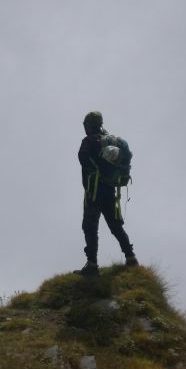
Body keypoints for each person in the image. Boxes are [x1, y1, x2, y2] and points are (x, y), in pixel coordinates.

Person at [76, 111, 137, 276]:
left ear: (90, 125)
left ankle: (92, 264)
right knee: (116, 226)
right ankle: (131, 257)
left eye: (85, 124)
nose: (84, 127)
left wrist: (92, 172)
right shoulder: (111, 142)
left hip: (94, 190)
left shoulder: (89, 141)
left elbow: (83, 157)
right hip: (111, 190)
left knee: (90, 226)